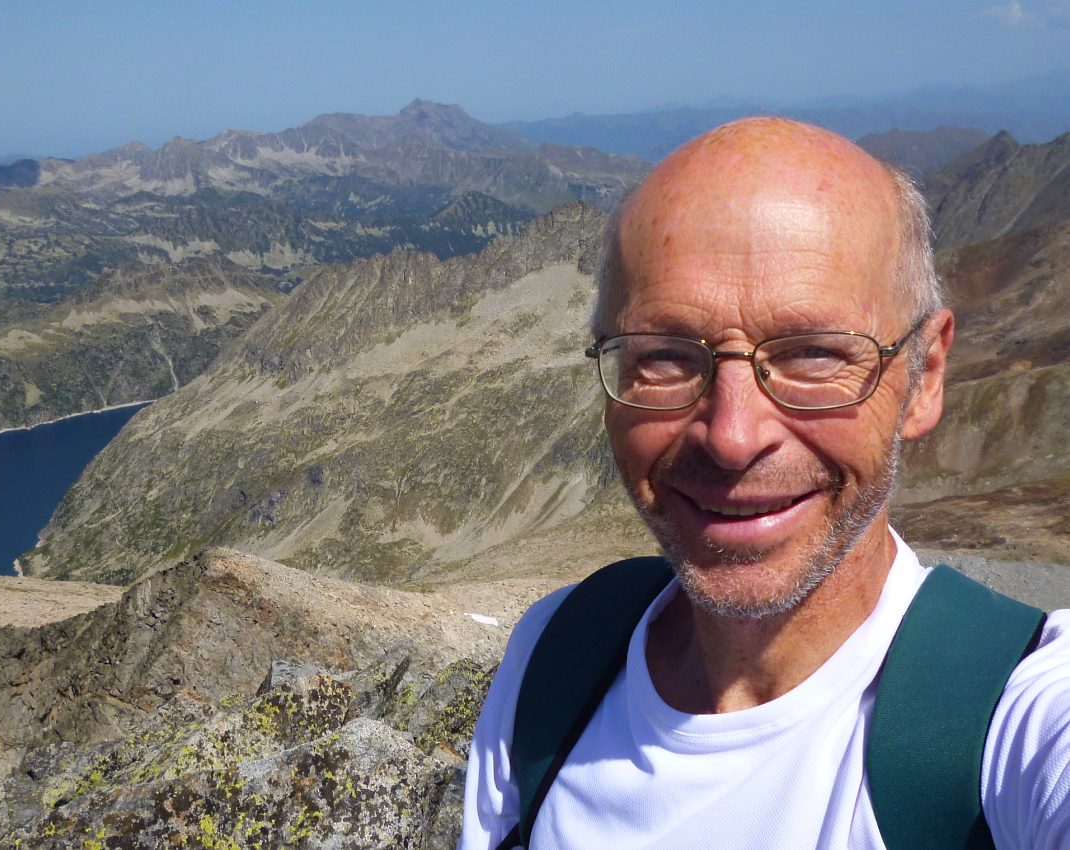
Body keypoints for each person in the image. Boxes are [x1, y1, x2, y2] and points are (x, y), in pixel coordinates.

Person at [457, 118, 1070, 848]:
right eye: (666, 355)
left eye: (814, 353)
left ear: (925, 375)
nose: (733, 436)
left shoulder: (1020, 714)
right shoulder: (554, 658)